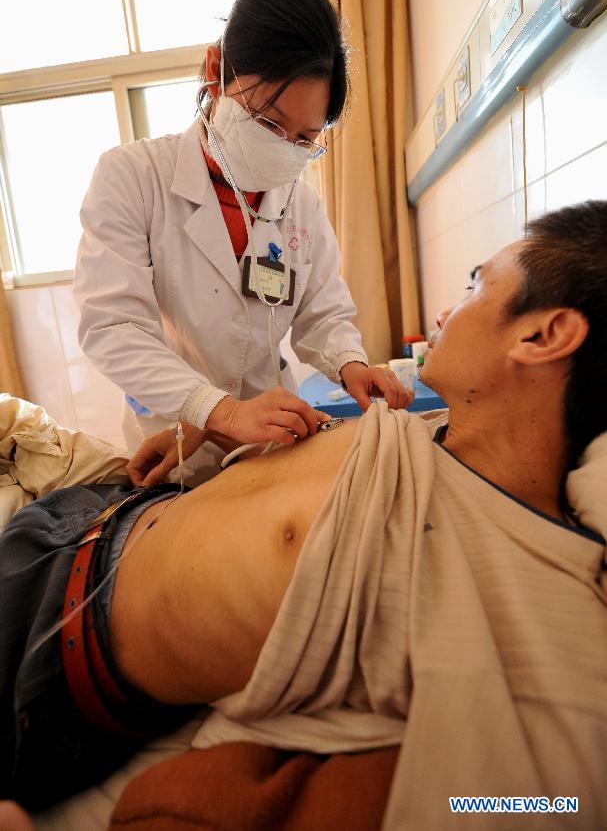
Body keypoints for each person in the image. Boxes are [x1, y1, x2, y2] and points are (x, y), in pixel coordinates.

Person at [2, 202, 606, 827]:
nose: (446, 312)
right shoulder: (424, 433)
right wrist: (208, 431)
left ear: (544, 335)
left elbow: (537, 802)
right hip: (91, 516)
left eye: (475, 285)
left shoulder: (531, 589)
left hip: (54, 646)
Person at [74, 0, 409, 483]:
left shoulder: (301, 201)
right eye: (269, 123)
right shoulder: (133, 176)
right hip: (175, 437)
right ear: (215, 69)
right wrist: (222, 413)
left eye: (304, 138)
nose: (284, 148)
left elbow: (322, 311)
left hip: (273, 437)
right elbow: (114, 327)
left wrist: (350, 364)